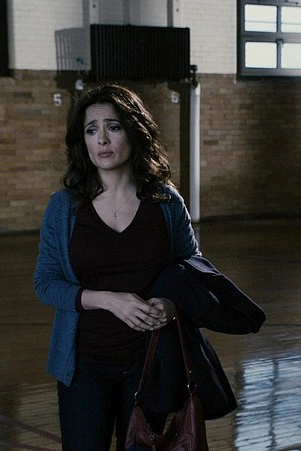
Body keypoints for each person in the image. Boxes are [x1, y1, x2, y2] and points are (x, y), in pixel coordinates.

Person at [33, 84, 199, 450]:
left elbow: (193, 271)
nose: (102, 140)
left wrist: (170, 305)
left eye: (113, 127)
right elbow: (45, 283)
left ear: (135, 132)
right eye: (91, 130)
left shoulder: (166, 202)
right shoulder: (63, 207)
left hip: (150, 363)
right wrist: (108, 300)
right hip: (84, 364)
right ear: (83, 141)